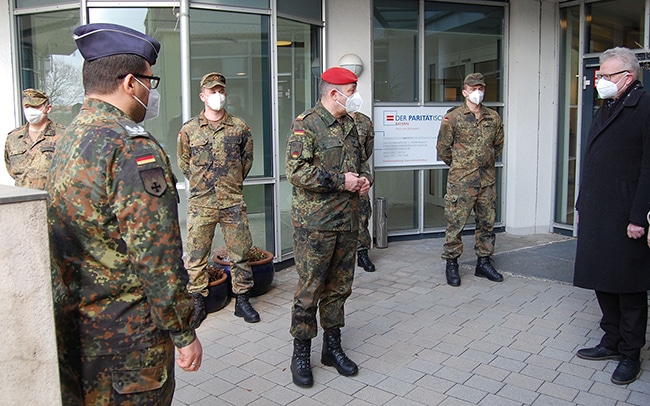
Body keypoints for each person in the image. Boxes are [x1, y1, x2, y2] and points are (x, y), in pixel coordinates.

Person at [46, 23, 202, 404]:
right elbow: (157, 258)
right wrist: (183, 332)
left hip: (74, 336)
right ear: (131, 83)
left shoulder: (68, 140)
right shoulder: (130, 148)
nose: (153, 91)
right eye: (152, 80)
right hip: (128, 345)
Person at [286, 67, 372, 387]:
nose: (356, 95)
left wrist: (363, 181)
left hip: (346, 221)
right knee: (310, 291)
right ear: (334, 93)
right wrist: (341, 181)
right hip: (315, 225)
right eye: (352, 89)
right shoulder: (306, 124)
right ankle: (301, 354)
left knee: (339, 289)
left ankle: (331, 348)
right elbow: (296, 171)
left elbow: (359, 165)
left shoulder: (352, 125)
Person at [573, 46, 650, 386]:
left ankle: (631, 353)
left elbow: (649, 168)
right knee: (602, 280)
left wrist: (639, 217)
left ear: (628, 77)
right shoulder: (608, 105)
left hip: (625, 215)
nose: (599, 80)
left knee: (629, 288)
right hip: (598, 211)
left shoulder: (644, 107)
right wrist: (581, 204)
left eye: (605, 75)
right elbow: (591, 159)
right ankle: (611, 341)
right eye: (599, 74)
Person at [177, 72, 259, 323]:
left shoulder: (239, 127)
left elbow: (247, 161)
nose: (217, 95)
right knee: (196, 254)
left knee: (240, 252)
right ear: (202, 96)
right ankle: (199, 301)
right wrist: (204, 184)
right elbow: (184, 163)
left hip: (231, 200)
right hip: (202, 202)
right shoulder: (189, 130)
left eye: (221, 90)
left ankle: (242, 300)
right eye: (212, 91)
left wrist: (230, 184)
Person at [436, 72, 505, 287]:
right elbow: (443, 149)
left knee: (487, 223)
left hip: (486, 181)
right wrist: (461, 166)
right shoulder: (453, 117)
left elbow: (498, 146)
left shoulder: (492, 117)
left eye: (481, 88)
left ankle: (483, 262)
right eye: (473, 89)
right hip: (461, 182)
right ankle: (451, 264)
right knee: (455, 224)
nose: (477, 92)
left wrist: (483, 162)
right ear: (464, 91)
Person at [4, 88, 65, 190]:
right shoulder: (13, 137)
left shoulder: (63, 135)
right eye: (27, 107)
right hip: (23, 200)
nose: (31, 110)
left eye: (36, 107)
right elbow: (11, 168)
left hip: (51, 200)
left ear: (48, 108)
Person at [352, 111, 376, 272]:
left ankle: (362, 252)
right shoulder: (318, 120)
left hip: (358, 174)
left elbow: (366, 152)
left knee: (362, 214)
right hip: (333, 178)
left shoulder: (364, 121)